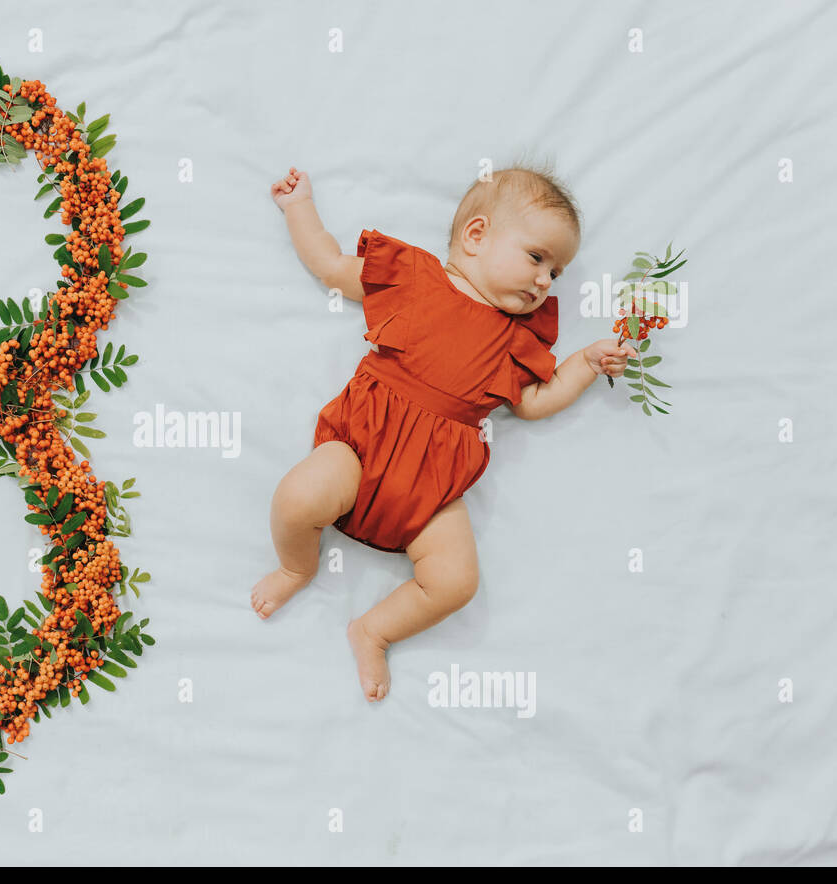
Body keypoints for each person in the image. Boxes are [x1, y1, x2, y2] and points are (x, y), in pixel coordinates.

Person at [251, 164, 637, 702]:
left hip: (432, 486)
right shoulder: (414, 279)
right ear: (477, 236)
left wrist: (586, 363)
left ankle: (374, 630)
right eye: (537, 257)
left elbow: (533, 402)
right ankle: (296, 567)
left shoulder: (516, 340)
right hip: (360, 450)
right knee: (297, 497)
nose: (546, 281)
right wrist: (299, 207)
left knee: (457, 582)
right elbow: (330, 264)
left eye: (557, 271)